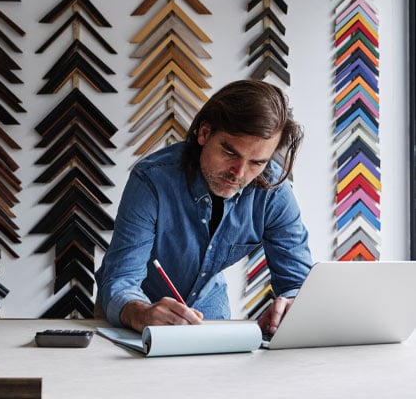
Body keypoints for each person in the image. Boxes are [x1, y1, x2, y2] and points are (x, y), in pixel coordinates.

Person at [95, 79, 313, 335]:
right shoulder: (152, 180)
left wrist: (292, 306)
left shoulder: (273, 191)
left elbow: (298, 283)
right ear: (204, 133)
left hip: (211, 315)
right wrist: (140, 313)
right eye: (230, 153)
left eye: (257, 162)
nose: (239, 173)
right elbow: (121, 279)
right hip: (137, 315)